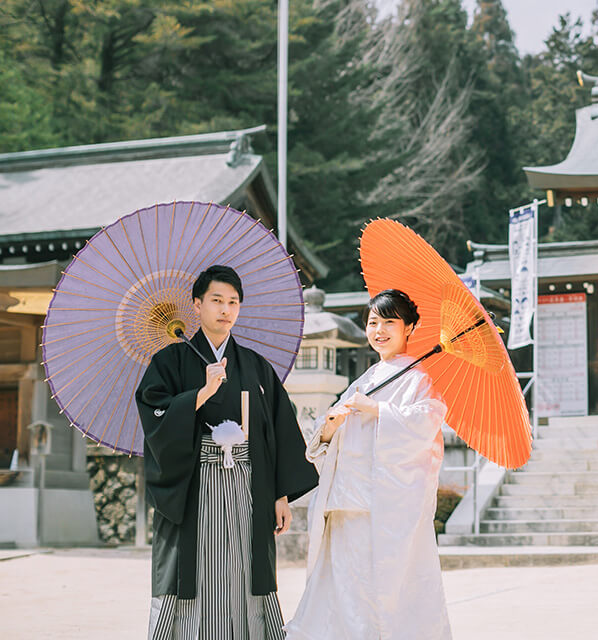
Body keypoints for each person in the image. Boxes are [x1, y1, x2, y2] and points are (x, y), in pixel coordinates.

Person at [136, 264, 318, 640]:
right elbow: (155, 417)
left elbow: (277, 430)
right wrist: (201, 394)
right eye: (216, 300)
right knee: (194, 570)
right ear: (197, 304)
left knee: (245, 568)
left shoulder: (255, 365)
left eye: (233, 302)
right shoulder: (169, 362)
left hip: (249, 485)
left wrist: (280, 494)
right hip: (194, 484)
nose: (225, 309)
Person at [287, 288, 452, 640]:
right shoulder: (366, 379)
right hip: (346, 501)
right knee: (344, 588)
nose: (379, 330)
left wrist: (378, 410)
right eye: (373, 322)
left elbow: (426, 424)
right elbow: (330, 440)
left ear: (409, 327)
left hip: (384, 507)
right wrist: (330, 429)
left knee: (383, 589)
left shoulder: (418, 379)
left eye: (390, 322)